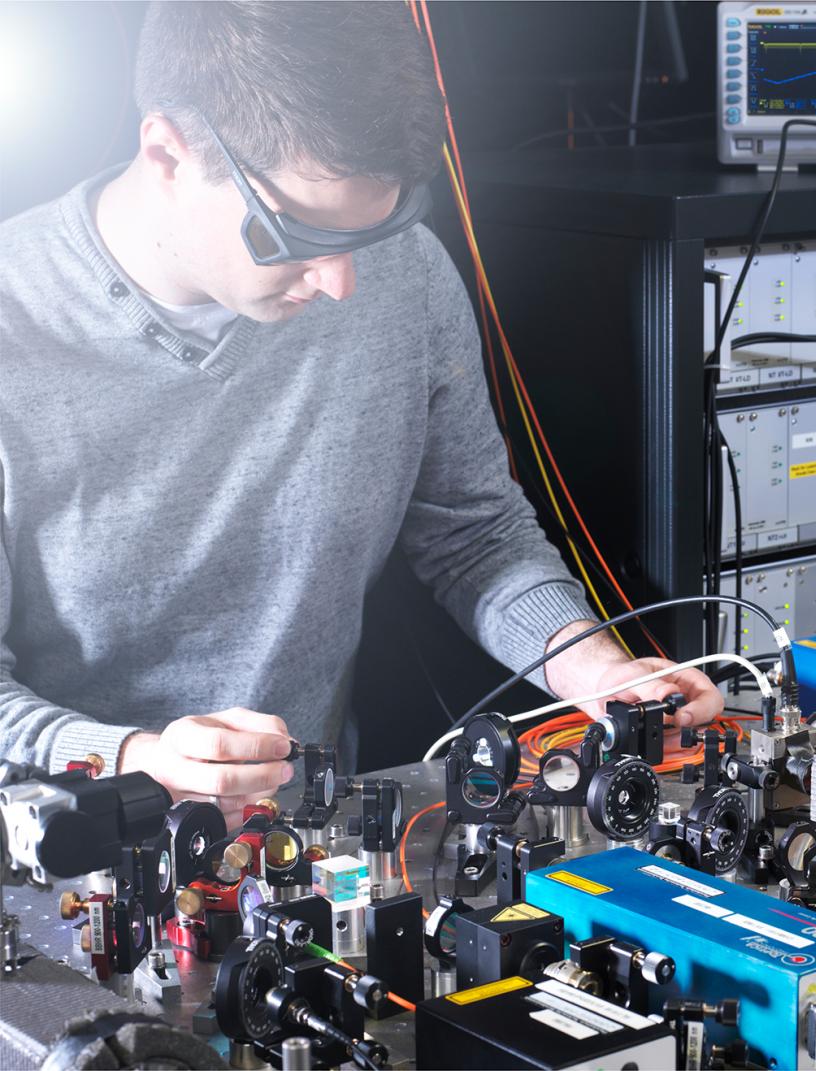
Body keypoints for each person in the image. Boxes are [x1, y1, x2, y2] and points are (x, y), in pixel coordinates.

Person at [0, 1, 720, 828]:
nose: (342, 284)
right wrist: (130, 757)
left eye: (365, 238)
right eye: (298, 234)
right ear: (166, 153)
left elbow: (474, 534)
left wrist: (598, 674)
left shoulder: (402, 272)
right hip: (64, 868)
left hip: (308, 848)